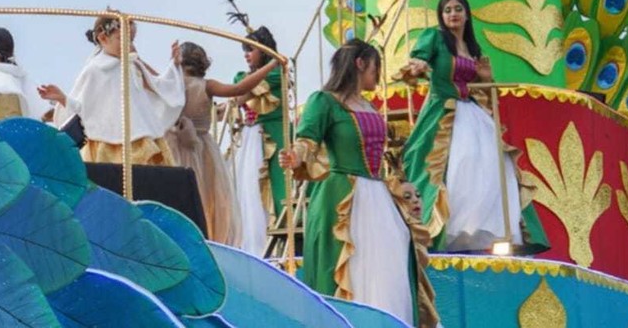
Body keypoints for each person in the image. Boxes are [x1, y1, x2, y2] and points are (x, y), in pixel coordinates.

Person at [278, 39, 439, 327]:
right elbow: (307, 140)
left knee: (392, 259)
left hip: (378, 195)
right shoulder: (324, 100)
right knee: (354, 265)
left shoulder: (366, 103)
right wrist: (295, 156)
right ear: (360, 63)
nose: (378, 74)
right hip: (343, 198)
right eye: (376, 65)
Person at [398, 0, 548, 253]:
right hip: (444, 111)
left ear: (467, 14)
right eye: (447, 10)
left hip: (473, 113)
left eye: (457, 9)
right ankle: (444, 229)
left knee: (495, 166)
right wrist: (417, 64)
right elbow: (421, 59)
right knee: (459, 165)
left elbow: (484, 89)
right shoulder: (436, 38)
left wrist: (486, 79)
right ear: (442, 16)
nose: (452, 14)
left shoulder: (472, 48)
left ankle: (483, 230)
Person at [169, 42, 279, 246]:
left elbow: (150, 80)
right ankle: (207, 241)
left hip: (175, 146)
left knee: (178, 199)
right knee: (209, 201)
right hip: (202, 149)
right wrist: (270, 66)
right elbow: (239, 88)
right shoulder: (206, 85)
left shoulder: (171, 83)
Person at [38, 16, 185, 166]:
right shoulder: (95, 70)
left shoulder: (133, 65)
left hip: (139, 138)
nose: (128, 45)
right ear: (103, 38)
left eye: (130, 40)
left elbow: (158, 86)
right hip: (106, 143)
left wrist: (174, 66)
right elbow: (83, 108)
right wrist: (62, 98)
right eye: (121, 39)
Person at [223, 22, 288, 257]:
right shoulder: (244, 76)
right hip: (249, 139)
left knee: (271, 190)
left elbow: (243, 93)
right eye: (244, 51)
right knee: (247, 192)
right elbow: (240, 93)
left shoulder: (277, 73)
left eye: (250, 50)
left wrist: (229, 103)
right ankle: (251, 248)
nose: (246, 56)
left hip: (272, 137)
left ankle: (273, 246)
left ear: (264, 49)